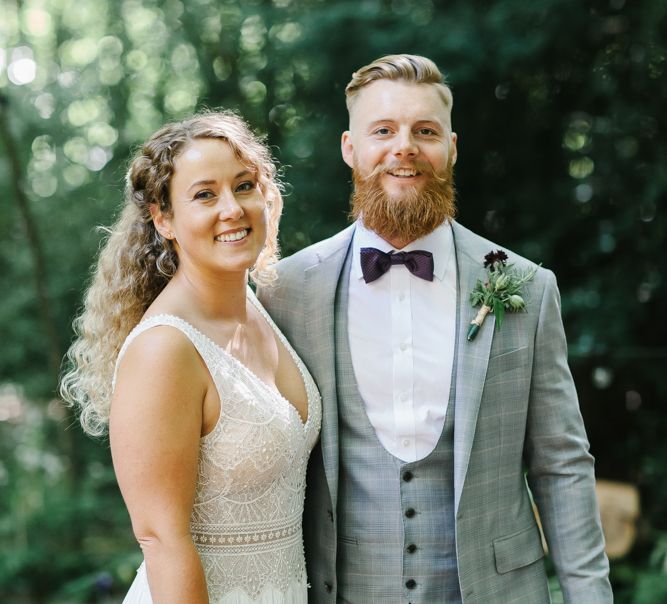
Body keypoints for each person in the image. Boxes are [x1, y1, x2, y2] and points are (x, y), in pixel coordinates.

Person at [257, 55, 612, 603]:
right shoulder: (286, 290)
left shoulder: (528, 287)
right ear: (350, 148)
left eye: (425, 131)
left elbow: (561, 465)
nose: (405, 147)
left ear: (451, 148)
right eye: (383, 130)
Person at [60, 111, 321, 603]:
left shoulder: (260, 312)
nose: (232, 209)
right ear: (164, 218)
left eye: (244, 186)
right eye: (205, 194)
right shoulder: (165, 349)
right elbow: (161, 539)